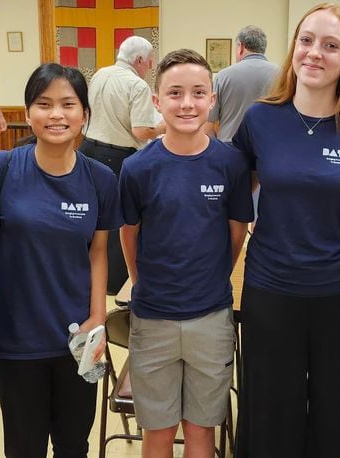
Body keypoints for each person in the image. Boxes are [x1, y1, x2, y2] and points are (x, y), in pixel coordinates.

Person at [232, 3, 340, 456]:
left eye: (330, 45)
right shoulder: (260, 120)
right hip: (271, 289)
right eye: (306, 41)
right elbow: (237, 205)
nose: (314, 54)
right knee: (269, 414)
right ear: (293, 48)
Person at [0, 63, 123, 457]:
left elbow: (98, 251)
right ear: (27, 114)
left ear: (84, 116)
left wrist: (97, 320)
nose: (56, 114)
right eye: (44, 104)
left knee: (74, 445)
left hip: (78, 340)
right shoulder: (3, 169)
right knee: (24, 447)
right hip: (16, 339)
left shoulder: (100, 180)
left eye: (68, 104)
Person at [120, 48, 253, 457]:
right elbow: (130, 235)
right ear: (157, 101)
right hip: (153, 318)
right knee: (158, 434)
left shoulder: (230, 164)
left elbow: (236, 234)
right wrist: (143, 282)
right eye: (174, 93)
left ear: (212, 99)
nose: (187, 103)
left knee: (201, 433)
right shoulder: (138, 168)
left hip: (210, 318)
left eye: (198, 93)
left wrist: (212, 278)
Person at [80, 35, 165, 295]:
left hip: (87, 150)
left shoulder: (100, 74)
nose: (149, 68)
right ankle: (114, 283)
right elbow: (141, 131)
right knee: (118, 219)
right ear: (139, 60)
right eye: (149, 62)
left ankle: (87, 276)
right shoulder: (136, 85)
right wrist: (165, 124)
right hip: (116, 158)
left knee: (91, 215)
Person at [204, 25, 279, 143]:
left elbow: (208, 125)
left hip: (230, 147)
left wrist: (219, 150)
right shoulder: (281, 76)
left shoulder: (222, 76)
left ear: (241, 47)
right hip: (267, 147)